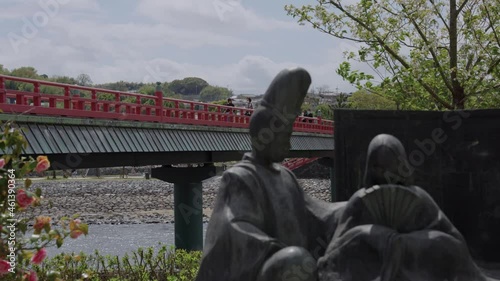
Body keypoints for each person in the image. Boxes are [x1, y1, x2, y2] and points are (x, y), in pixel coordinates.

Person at [195, 68, 343, 281]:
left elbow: (318, 215)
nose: (288, 144)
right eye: (284, 137)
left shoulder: (286, 176)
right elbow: (233, 230)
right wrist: (279, 251)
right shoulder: (240, 178)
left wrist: (352, 206)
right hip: (268, 272)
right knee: (295, 261)